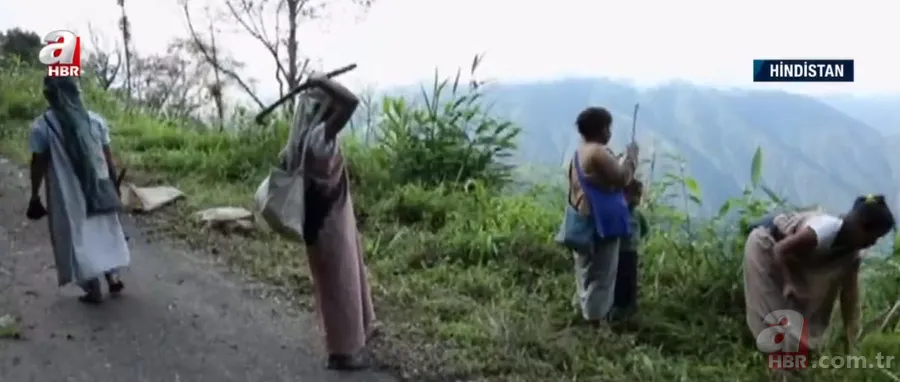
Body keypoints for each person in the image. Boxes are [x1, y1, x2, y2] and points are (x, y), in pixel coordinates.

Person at [280, 72, 377, 371]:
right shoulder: (320, 137)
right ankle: (344, 353)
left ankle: (347, 342)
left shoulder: (296, 143)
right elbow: (351, 102)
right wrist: (321, 81)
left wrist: (318, 86)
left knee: (333, 284)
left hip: (316, 220)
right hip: (329, 223)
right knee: (340, 284)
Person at [744, 194, 895, 354]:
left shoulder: (852, 254)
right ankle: (778, 366)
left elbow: (849, 295)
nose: (873, 243)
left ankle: (790, 357)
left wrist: (851, 334)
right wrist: (789, 282)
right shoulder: (824, 230)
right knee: (771, 311)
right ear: (861, 226)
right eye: (874, 237)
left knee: (796, 321)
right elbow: (781, 249)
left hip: (789, 258)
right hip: (766, 247)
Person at [27, 76, 130, 304]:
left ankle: (92, 288)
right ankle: (112, 276)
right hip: (99, 186)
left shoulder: (43, 126)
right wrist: (113, 186)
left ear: (50, 95)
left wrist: (35, 194)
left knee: (76, 236)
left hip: (67, 192)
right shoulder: (95, 121)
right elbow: (107, 158)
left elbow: (39, 163)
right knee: (106, 229)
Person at [565, 106, 639, 324]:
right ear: (602, 129)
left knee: (586, 271)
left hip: (583, 218)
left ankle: (586, 311)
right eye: (609, 128)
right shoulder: (598, 152)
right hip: (602, 222)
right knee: (603, 275)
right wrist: (631, 157)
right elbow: (622, 178)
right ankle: (596, 321)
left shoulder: (578, 153)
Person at [611, 179, 649, 319]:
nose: (636, 199)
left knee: (631, 278)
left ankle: (630, 306)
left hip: (632, 252)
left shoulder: (638, 215)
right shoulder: (620, 212)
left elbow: (644, 229)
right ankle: (617, 307)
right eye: (634, 195)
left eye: (639, 196)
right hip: (619, 252)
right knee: (619, 278)